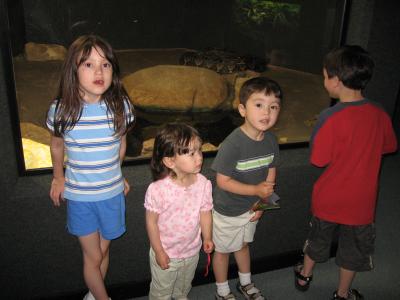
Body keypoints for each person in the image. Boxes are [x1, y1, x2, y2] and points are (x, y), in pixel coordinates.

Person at [293, 45, 397, 300]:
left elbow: (318, 160)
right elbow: (390, 146)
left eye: (325, 76)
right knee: (354, 249)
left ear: (336, 81)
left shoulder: (329, 117)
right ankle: (342, 293)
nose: (324, 80)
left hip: (329, 198)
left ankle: (305, 275)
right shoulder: (380, 113)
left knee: (317, 238)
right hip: (362, 202)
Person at [46, 35, 135, 300]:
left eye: (105, 64)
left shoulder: (121, 107)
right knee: (93, 255)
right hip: (81, 198)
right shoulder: (61, 110)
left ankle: (94, 295)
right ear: (73, 70)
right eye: (88, 64)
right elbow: (57, 146)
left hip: (112, 195)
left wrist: (117, 175)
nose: (99, 71)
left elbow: (120, 145)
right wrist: (57, 177)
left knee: (103, 253)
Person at [212, 77, 282, 300]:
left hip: (252, 208)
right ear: (242, 109)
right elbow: (222, 182)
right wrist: (256, 192)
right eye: (259, 105)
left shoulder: (271, 140)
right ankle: (222, 291)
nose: (267, 112)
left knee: (242, 246)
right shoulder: (233, 143)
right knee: (222, 251)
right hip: (228, 210)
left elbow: (271, 176)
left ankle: (245, 283)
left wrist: (263, 203)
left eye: (273, 107)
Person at [144, 123, 214, 300]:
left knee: (183, 287)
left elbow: (205, 212)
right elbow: (151, 222)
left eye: (199, 150)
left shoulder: (203, 183)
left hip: (191, 251)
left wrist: (207, 237)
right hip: (166, 252)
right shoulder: (158, 190)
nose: (199, 157)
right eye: (191, 154)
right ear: (169, 161)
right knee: (162, 292)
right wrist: (159, 251)